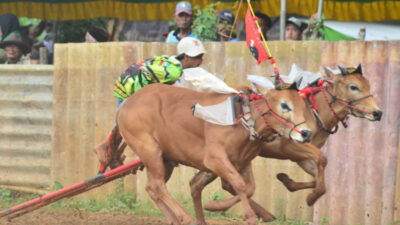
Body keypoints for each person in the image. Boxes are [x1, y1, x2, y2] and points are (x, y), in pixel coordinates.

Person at [94, 37, 206, 170]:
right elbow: (156, 87)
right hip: (132, 85)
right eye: (198, 57)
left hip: (130, 82)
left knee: (131, 123)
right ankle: (104, 147)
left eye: (201, 56)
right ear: (187, 57)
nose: (200, 61)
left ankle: (112, 154)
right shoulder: (174, 71)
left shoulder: (172, 63)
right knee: (129, 120)